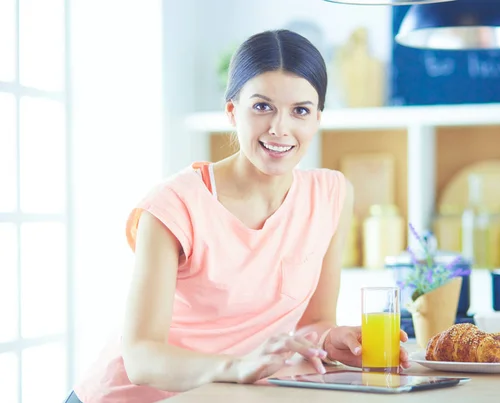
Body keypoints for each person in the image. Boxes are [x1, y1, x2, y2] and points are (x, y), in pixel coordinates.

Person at [67, 29, 410, 403]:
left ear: (317, 119)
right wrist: (238, 366)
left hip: (224, 395)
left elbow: (314, 322)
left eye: (300, 111)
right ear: (232, 111)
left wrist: (330, 338)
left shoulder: (331, 195)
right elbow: (141, 358)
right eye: (262, 107)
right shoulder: (174, 204)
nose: (280, 128)